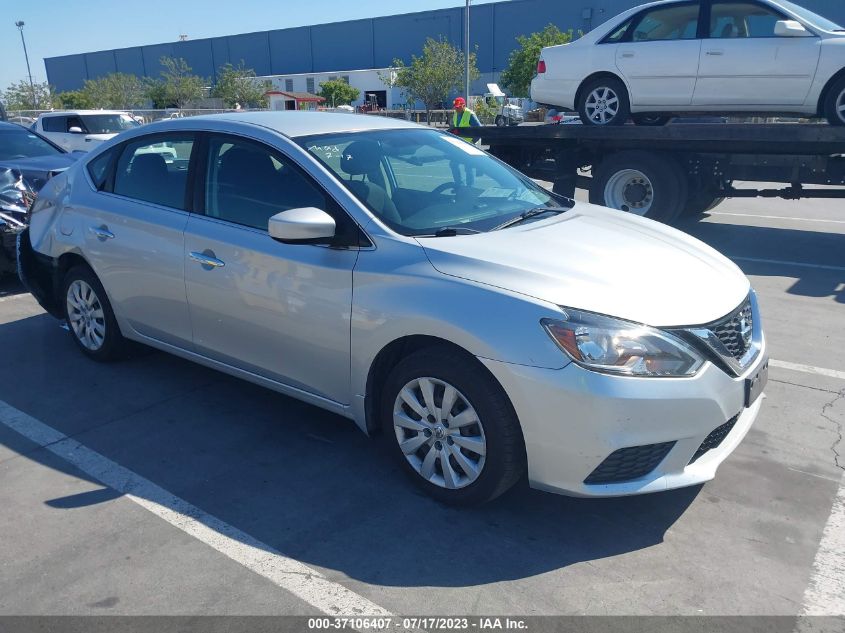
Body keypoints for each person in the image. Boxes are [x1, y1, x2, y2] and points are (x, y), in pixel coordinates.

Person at [450, 97, 481, 186]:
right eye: (455, 107)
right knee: (453, 164)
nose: (456, 109)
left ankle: (470, 187)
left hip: (470, 145)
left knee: (469, 166)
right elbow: (454, 128)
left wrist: (472, 142)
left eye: (458, 107)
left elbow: (479, 130)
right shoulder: (456, 114)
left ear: (464, 106)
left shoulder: (470, 115)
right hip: (459, 144)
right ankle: (459, 184)